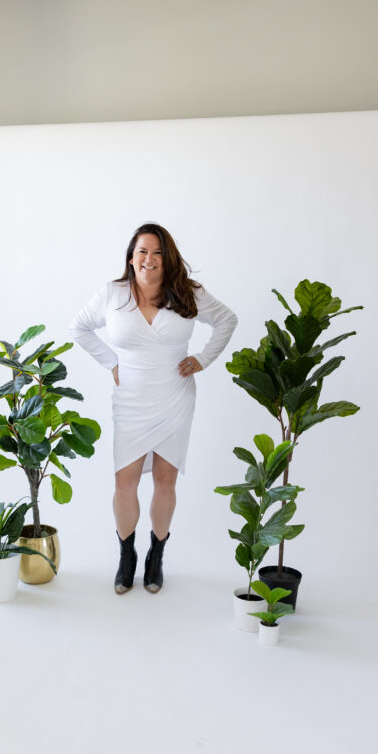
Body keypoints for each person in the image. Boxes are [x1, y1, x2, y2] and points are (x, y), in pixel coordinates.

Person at [69, 222, 238, 594]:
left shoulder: (187, 292)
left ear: (167, 258)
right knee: (123, 482)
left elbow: (227, 319)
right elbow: (79, 327)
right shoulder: (112, 294)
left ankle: (156, 556)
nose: (149, 259)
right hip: (130, 399)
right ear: (131, 258)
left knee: (166, 481)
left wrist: (204, 358)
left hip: (175, 397)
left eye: (158, 252)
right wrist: (111, 361)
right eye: (142, 251)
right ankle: (126, 556)